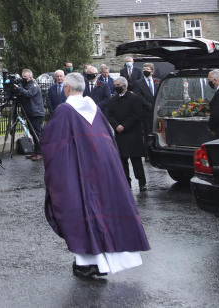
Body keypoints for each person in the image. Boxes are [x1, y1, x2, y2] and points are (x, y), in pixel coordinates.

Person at [43, 72, 150, 278]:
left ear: (66, 88)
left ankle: (88, 263)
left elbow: (52, 143)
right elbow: (107, 137)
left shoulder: (64, 110)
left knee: (81, 214)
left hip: (79, 171)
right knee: (103, 212)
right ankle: (103, 263)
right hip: (103, 170)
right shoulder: (95, 109)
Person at [107, 77, 147, 190]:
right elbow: (110, 115)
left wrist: (124, 125)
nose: (116, 87)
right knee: (122, 159)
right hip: (120, 135)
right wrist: (116, 126)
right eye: (115, 85)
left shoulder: (135, 98)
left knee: (136, 159)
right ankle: (126, 181)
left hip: (133, 133)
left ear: (125, 86)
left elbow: (137, 115)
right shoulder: (112, 100)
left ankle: (141, 181)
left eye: (118, 85)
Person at [16, 69, 44, 161]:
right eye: (22, 77)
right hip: (30, 113)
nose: (23, 79)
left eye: (25, 77)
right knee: (32, 133)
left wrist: (19, 88)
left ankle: (40, 153)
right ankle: (35, 152)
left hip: (36, 113)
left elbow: (28, 94)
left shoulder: (34, 85)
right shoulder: (27, 85)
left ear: (30, 77)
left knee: (37, 134)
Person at [133, 63, 159, 135]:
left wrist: (158, 105)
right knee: (147, 132)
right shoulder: (138, 83)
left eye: (147, 69)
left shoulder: (157, 81)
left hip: (157, 111)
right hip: (145, 112)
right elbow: (139, 97)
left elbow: (162, 94)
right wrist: (150, 106)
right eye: (144, 69)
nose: (145, 71)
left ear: (152, 71)